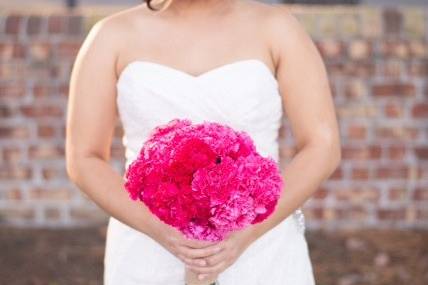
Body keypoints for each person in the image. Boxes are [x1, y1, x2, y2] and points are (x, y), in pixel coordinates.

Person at [65, 0, 341, 284]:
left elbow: (322, 146)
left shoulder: (277, 28)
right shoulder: (110, 35)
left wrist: (247, 232)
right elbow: (84, 158)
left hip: (262, 244)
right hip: (147, 244)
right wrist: (162, 230)